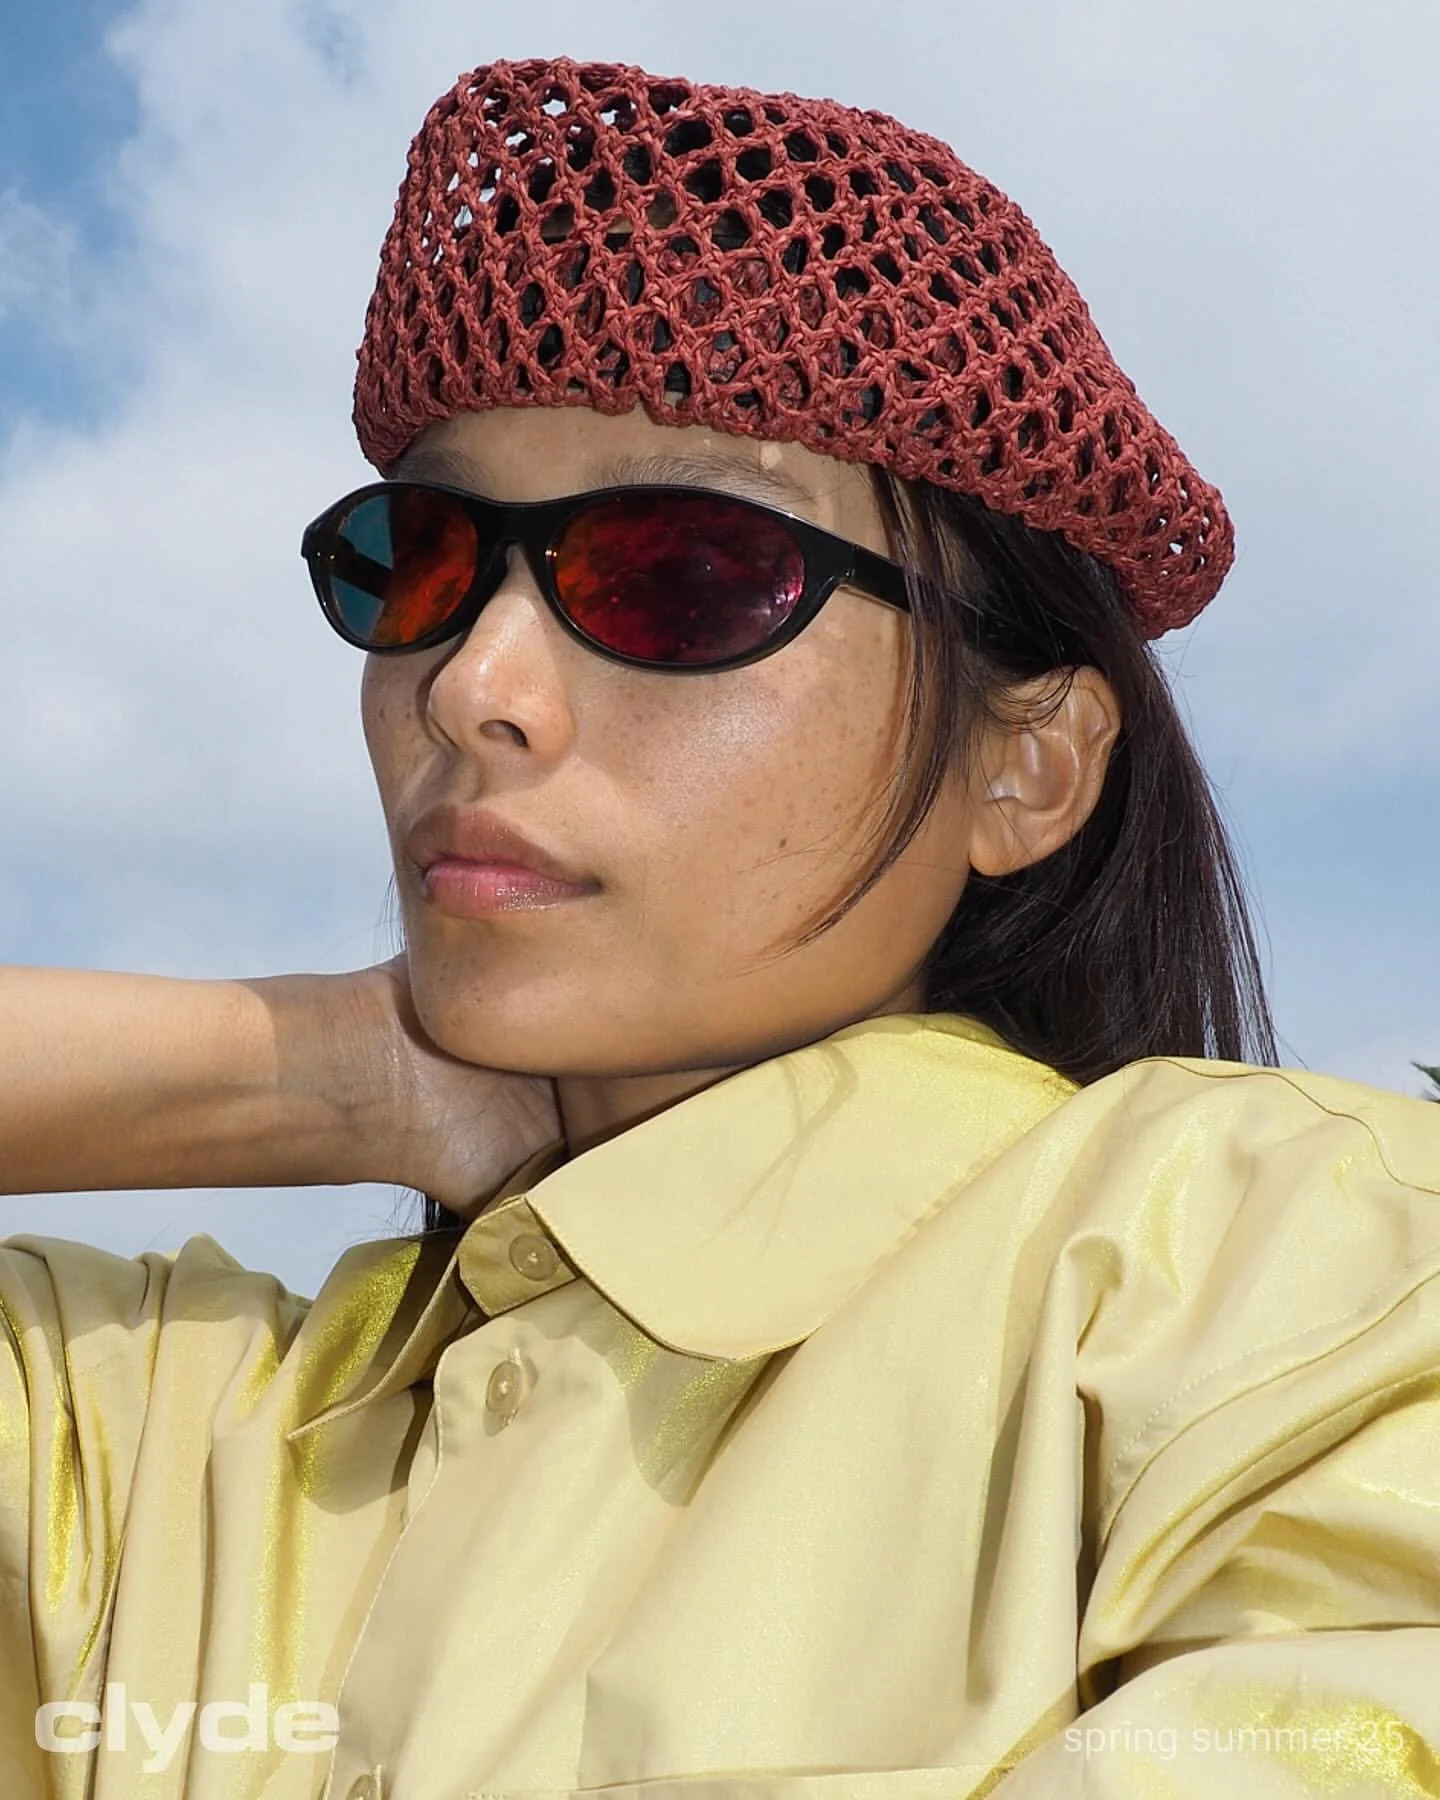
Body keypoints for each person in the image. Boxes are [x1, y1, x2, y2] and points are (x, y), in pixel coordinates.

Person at [3, 51, 1438, 1800]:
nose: (472, 683)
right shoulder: (157, 1437)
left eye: (680, 574)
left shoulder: (1292, 1279)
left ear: (1029, 764)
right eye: (423, 558)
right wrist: (328, 1071)